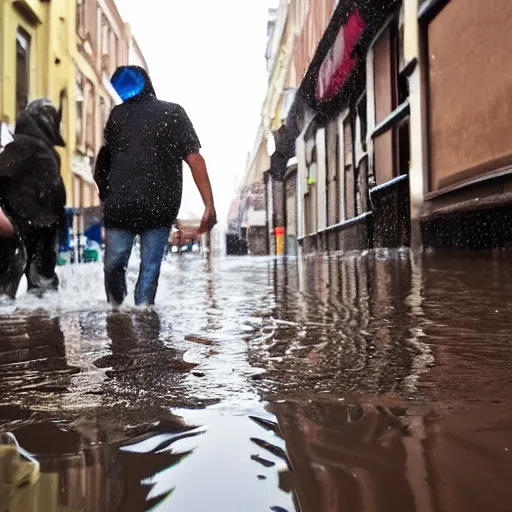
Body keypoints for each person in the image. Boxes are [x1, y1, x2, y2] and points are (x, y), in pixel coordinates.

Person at [94, 66, 217, 307]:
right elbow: (105, 161)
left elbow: (194, 159)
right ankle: (126, 313)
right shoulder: (123, 116)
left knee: (127, 266)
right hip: (138, 206)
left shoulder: (168, 114)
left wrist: (208, 204)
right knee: (133, 267)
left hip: (144, 206)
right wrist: (208, 205)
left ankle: (130, 315)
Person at [0, 97, 67, 299]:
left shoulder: (40, 147)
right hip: (23, 222)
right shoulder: (20, 144)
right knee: (17, 281)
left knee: (40, 284)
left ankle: (39, 324)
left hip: (41, 223)